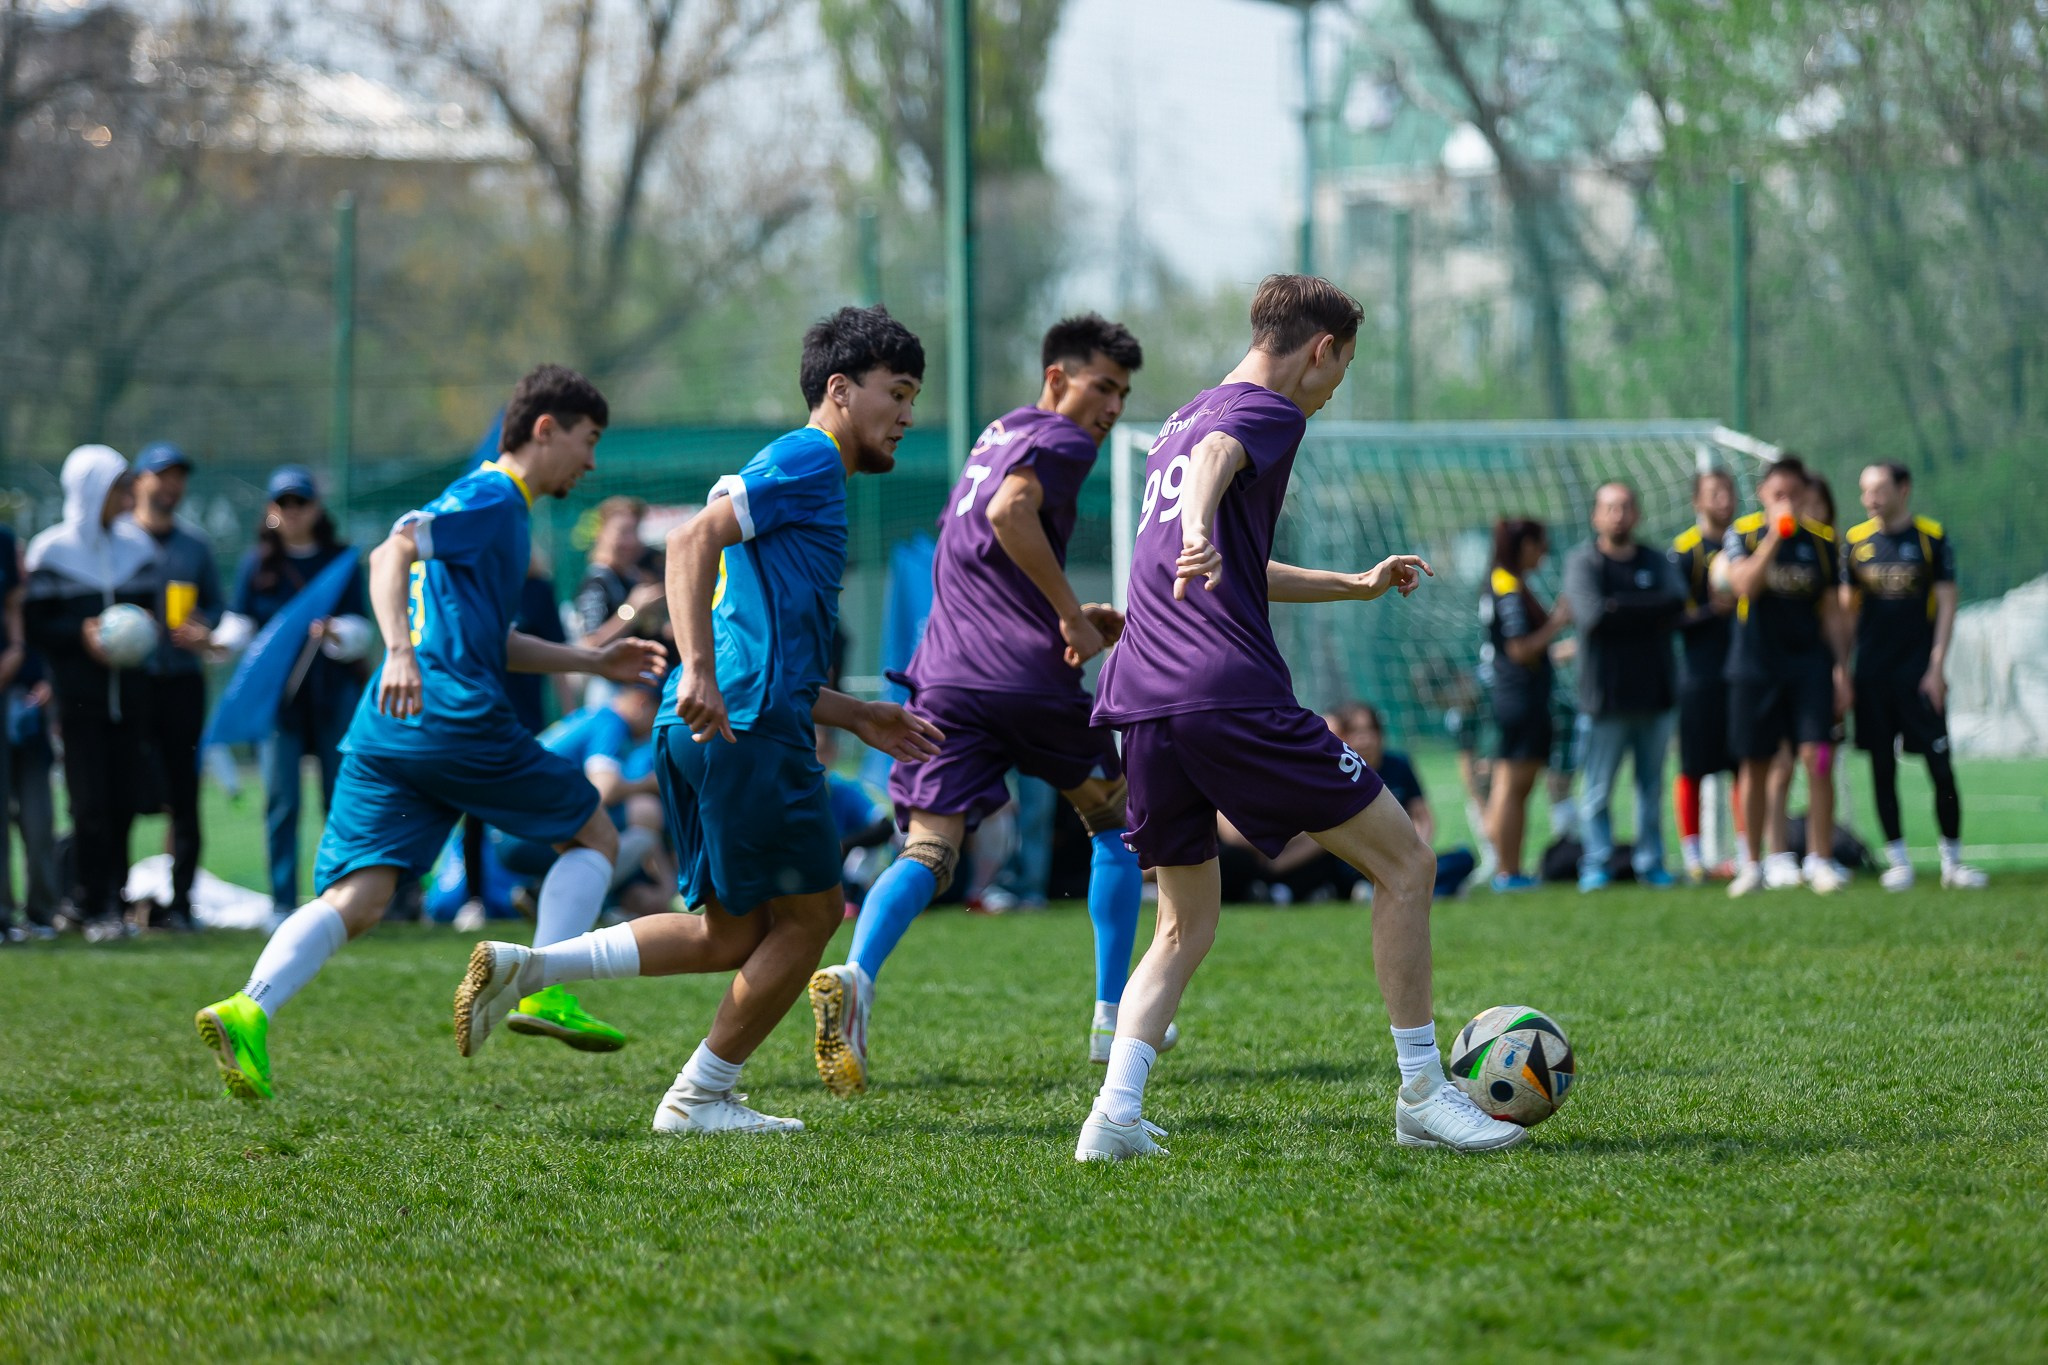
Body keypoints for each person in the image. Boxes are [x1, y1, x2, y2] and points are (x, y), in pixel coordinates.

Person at [453, 306, 944, 1137]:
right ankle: (699, 1096)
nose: (906, 415)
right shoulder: (810, 457)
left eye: (912, 398)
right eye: (896, 394)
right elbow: (688, 544)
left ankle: (529, 964)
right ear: (838, 389)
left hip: (723, 721)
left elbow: (764, 638)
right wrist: (704, 671)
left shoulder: (802, 470)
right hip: (741, 724)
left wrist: (854, 712)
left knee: (731, 933)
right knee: (815, 916)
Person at [1075, 273, 1524, 1161]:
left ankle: (1114, 1115)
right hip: (1225, 690)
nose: (1331, 391)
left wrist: (1352, 581)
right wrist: (1202, 523)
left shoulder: (1180, 421)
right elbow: (1214, 487)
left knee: (1183, 923)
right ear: (1320, 349)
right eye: (1340, 372)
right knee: (1407, 862)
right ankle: (1425, 1094)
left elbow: (1235, 556)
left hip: (1142, 700)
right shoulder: (1268, 411)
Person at [193, 365, 669, 1101]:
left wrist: (589, 657)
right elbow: (389, 552)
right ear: (545, 429)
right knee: (596, 835)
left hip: (388, 731)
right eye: (588, 439)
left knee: (362, 898)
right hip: (452, 716)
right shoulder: (491, 498)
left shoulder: (498, 513)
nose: (592, 461)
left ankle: (247, 1007)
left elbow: (489, 637)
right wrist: (399, 650)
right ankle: (543, 985)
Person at [806, 312, 1152, 1092]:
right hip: (1026, 675)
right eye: (1103, 386)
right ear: (1058, 378)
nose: (1113, 408)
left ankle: (858, 975)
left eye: (1124, 393)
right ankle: (1111, 1016)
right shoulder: (1064, 440)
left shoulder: (997, 434)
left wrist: (1063, 605)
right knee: (1116, 825)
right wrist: (1068, 616)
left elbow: (979, 546)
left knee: (928, 850)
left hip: (946, 674)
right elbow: (1010, 515)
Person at [216, 467, 371, 917]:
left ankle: (342, 897)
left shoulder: (339, 561)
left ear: (315, 509)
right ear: (270, 511)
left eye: (301, 503)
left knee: (338, 799)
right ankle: (282, 902)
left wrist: (336, 631)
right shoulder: (257, 565)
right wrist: (213, 643)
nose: (293, 512)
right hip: (279, 706)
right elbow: (239, 627)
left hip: (332, 695)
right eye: (284, 504)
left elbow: (361, 628)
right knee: (282, 802)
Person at [24, 446, 159, 940]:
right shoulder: (51, 551)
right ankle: (86, 899)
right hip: (79, 703)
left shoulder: (137, 547)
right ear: (89, 491)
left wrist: (143, 629)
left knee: (124, 802)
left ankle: (115, 900)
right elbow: (38, 626)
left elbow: (150, 614)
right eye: (118, 488)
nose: (126, 498)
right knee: (89, 805)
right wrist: (78, 634)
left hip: (131, 699)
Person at [488, 682, 666, 1043]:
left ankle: (552, 899)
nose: (651, 729)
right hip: (529, 831)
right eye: (655, 716)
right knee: (644, 812)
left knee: (618, 822)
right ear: (641, 702)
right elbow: (605, 789)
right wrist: (651, 783)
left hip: (510, 827)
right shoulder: (610, 721)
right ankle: (568, 916)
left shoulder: (584, 717)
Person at [1842, 462, 1985, 890]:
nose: (1871, 498)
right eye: (1865, 490)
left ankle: (1952, 862)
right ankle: (1898, 861)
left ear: (1904, 489)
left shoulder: (1931, 538)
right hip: (1871, 676)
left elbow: (1946, 605)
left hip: (1919, 674)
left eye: (1880, 489)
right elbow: (1847, 617)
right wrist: (1841, 671)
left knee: (1940, 766)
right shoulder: (1854, 542)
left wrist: (1936, 668)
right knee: (1882, 767)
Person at [1718, 456, 1850, 897]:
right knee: (1756, 765)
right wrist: (1776, 533)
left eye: (1795, 495)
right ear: (1762, 495)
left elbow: (1831, 611)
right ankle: (1753, 864)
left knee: (1819, 758)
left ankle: (1821, 860)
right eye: (1779, 495)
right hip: (1754, 667)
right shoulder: (1743, 533)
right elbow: (1743, 586)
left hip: (1809, 667)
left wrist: (1840, 669)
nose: (1788, 502)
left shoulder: (1823, 543)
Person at [1561, 481, 1684, 892]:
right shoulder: (1583, 563)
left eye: (1626, 506)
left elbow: (1675, 603)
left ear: (1638, 513)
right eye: (1610, 507)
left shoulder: (1655, 559)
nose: (1619, 514)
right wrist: (1639, 608)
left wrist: (1618, 605)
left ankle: (1651, 863)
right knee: (1596, 790)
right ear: (1596, 515)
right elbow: (1592, 616)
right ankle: (1597, 863)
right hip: (1604, 700)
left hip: (1656, 695)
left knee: (1651, 788)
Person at [128, 443, 225, 931]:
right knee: (122, 789)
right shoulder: (119, 540)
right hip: (131, 683)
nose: (172, 486)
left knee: (185, 796)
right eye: (162, 475)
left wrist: (205, 634)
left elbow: (219, 611)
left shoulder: (195, 547)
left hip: (183, 683)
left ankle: (181, 902)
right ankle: (112, 899)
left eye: (179, 477)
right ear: (139, 480)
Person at [1480, 517, 1570, 892]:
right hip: (1519, 698)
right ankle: (1508, 871)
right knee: (1515, 786)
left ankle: (1508, 869)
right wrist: (1558, 623)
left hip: (1515, 697)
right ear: (1525, 546)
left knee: (1509, 783)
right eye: (1540, 543)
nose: (1544, 552)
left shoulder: (1506, 582)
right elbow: (1518, 648)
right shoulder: (1507, 586)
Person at [1669, 467, 1739, 882]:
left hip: (1744, 669)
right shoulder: (1684, 551)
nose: (1723, 501)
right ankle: (1693, 856)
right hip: (1699, 673)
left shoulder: (1746, 543)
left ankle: (1747, 852)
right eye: (1714, 494)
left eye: (1728, 493)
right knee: (1693, 765)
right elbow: (1672, 617)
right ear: (1697, 501)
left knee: (1744, 763)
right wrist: (1714, 609)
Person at [1330, 702, 1477, 898]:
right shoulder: (1339, 771)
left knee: (1463, 858)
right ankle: (1434, 888)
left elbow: (1423, 816)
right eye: (1355, 731)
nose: (1364, 739)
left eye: (1370, 730)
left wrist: (1416, 851)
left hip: (1402, 853)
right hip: (1364, 862)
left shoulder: (1399, 764)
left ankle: (1402, 890)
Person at [574, 496, 664, 652]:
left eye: (634, 531)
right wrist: (633, 608)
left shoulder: (632, 575)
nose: (631, 541)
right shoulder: (597, 581)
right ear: (601, 532)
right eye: (623, 532)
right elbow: (591, 643)